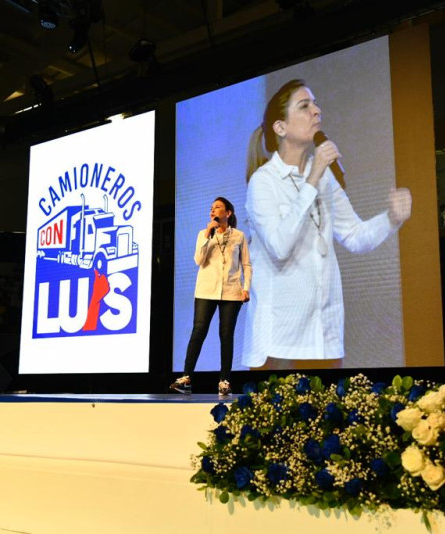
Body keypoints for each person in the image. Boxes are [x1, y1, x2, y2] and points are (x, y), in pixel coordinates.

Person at [242, 79, 412, 370]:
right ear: (280, 128)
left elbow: (355, 236)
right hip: (279, 341)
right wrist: (314, 177)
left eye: (316, 104)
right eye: (305, 106)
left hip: (324, 334)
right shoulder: (263, 182)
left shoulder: (325, 177)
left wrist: (392, 218)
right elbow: (279, 246)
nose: (317, 111)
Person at [170, 197, 252, 396]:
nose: (212, 211)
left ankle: (224, 381)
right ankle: (186, 378)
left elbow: (246, 265)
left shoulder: (239, 236)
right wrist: (208, 234)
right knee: (198, 331)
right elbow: (199, 260)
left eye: (217, 207)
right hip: (206, 290)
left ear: (228, 213)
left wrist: (246, 287)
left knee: (226, 335)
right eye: (211, 208)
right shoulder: (203, 234)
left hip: (232, 291)